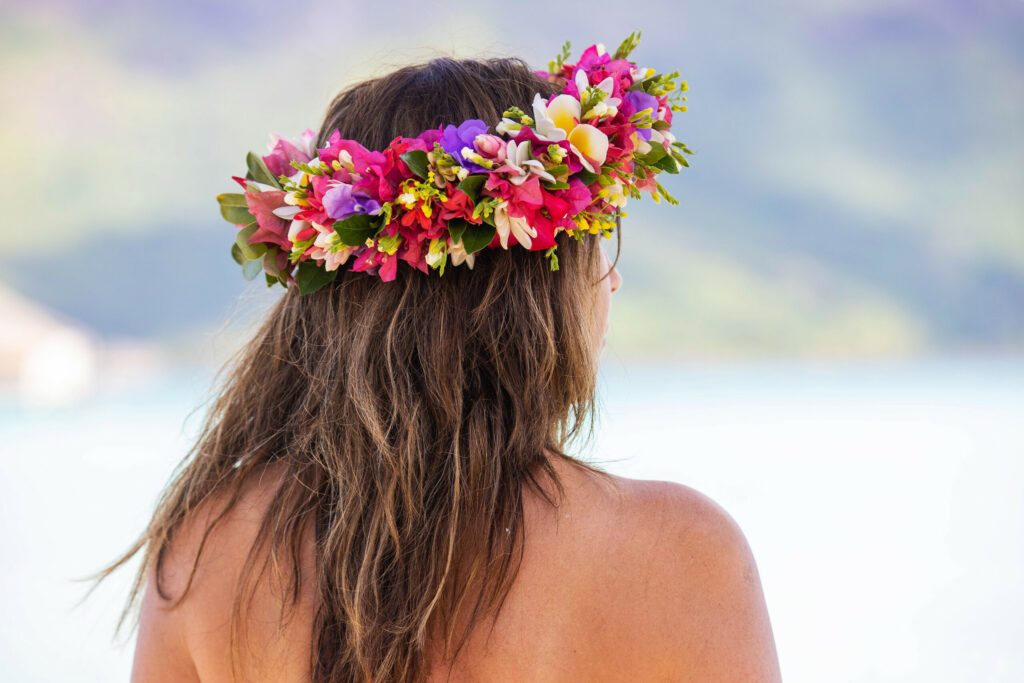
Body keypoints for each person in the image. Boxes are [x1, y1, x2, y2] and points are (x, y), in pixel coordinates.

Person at [94, 45, 782, 682]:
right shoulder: (680, 556)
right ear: (529, 286)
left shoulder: (204, 553)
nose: (611, 280)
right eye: (595, 240)